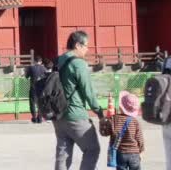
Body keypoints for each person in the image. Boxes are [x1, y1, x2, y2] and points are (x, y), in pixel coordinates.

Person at [53, 31, 105, 170]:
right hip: (76, 115)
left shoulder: (58, 60)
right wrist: (99, 112)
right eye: (86, 46)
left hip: (58, 116)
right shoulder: (78, 63)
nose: (87, 49)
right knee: (92, 149)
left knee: (63, 154)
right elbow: (88, 91)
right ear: (77, 45)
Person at [100, 91, 144, 170]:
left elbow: (105, 133)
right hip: (134, 153)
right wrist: (140, 150)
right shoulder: (135, 121)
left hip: (120, 153)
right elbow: (139, 139)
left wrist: (103, 122)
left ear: (121, 106)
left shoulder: (113, 119)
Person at [26, 55, 47, 123]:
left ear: (34, 61)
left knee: (32, 103)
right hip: (41, 88)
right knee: (40, 103)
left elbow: (26, 76)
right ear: (40, 62)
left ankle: (34, 117)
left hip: (33, 87)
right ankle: (40, 118)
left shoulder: (31, 67)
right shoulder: (44, 68)